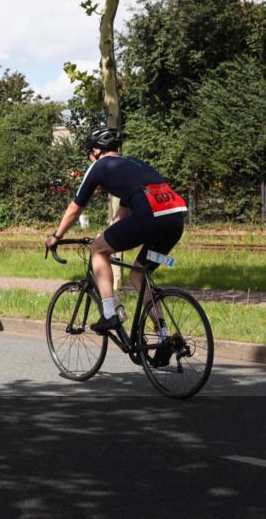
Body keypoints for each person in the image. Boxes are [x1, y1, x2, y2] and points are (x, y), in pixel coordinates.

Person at [44, 127, 187, 365]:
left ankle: (110, 313)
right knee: (139, 274)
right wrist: (107, 232)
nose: (90, 158)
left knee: (97, 250)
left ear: (96, 151)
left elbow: (75, 208)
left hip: (149, 218)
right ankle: (165, 338)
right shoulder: (134, 165)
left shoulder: (100, 166)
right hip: (174, 220)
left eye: (89, 153)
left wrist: (56, 236)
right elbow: (125, 209)